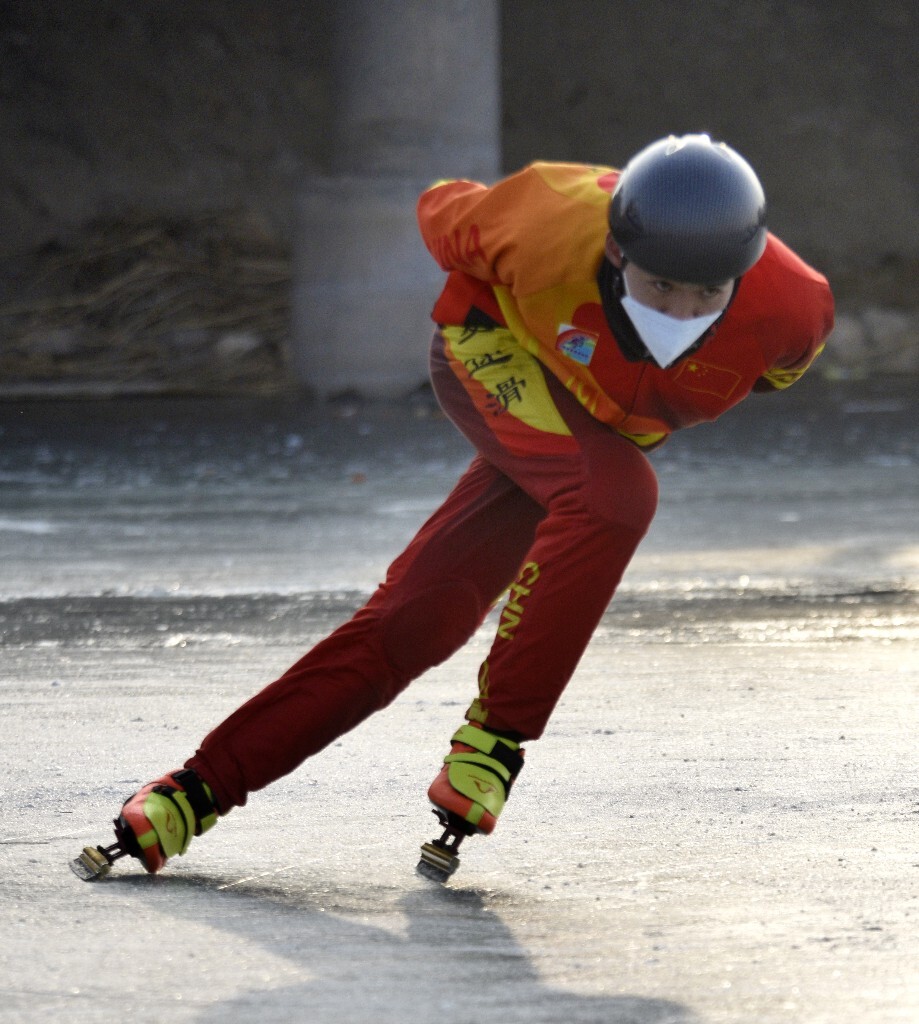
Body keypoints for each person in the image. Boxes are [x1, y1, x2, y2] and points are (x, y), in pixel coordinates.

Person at [72, 134, 834, 883]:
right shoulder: (541, 219)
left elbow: (741, 373)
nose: (679, 313)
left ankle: (192, 791)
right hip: (490, 349)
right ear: (613, 253)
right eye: (659, 286)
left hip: (590, 420)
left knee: (419, 617)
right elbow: (437, 205)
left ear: (745, 273)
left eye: (708, 294)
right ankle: (495, 744)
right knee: (612, 496)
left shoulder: (793, 315)